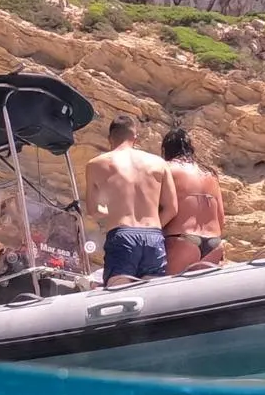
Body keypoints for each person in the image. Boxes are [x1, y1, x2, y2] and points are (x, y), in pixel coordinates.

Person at [83, 115, 177, 286]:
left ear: (110, 139)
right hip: (153, 237)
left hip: (122, 235)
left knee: (119, 299)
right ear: (135, 137)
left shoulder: (96, 164)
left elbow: (93, 210)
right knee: (152, 298)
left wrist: (113, 210)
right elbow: (171, 208)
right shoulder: (159, 163)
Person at [160, 127, 227, 275]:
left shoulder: (167, 169)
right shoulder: (211, 174)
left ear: (166, 149)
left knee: (171, 293)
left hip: (181, 239)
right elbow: (221, 219)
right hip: (213, 243)